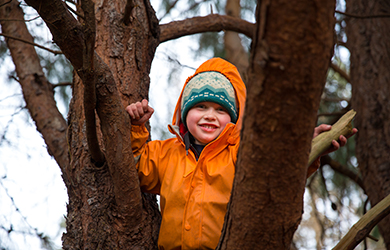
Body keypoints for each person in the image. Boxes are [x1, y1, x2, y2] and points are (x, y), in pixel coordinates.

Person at [125, 57, 356, 249]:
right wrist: (135, 128)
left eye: (221, 109)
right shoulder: (167, 153)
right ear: (185, 112)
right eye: (200, 106)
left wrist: (307, 149)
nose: (210, 115)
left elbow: (276, 172)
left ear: (233, 118)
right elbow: (134, 166)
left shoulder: (241, 155)